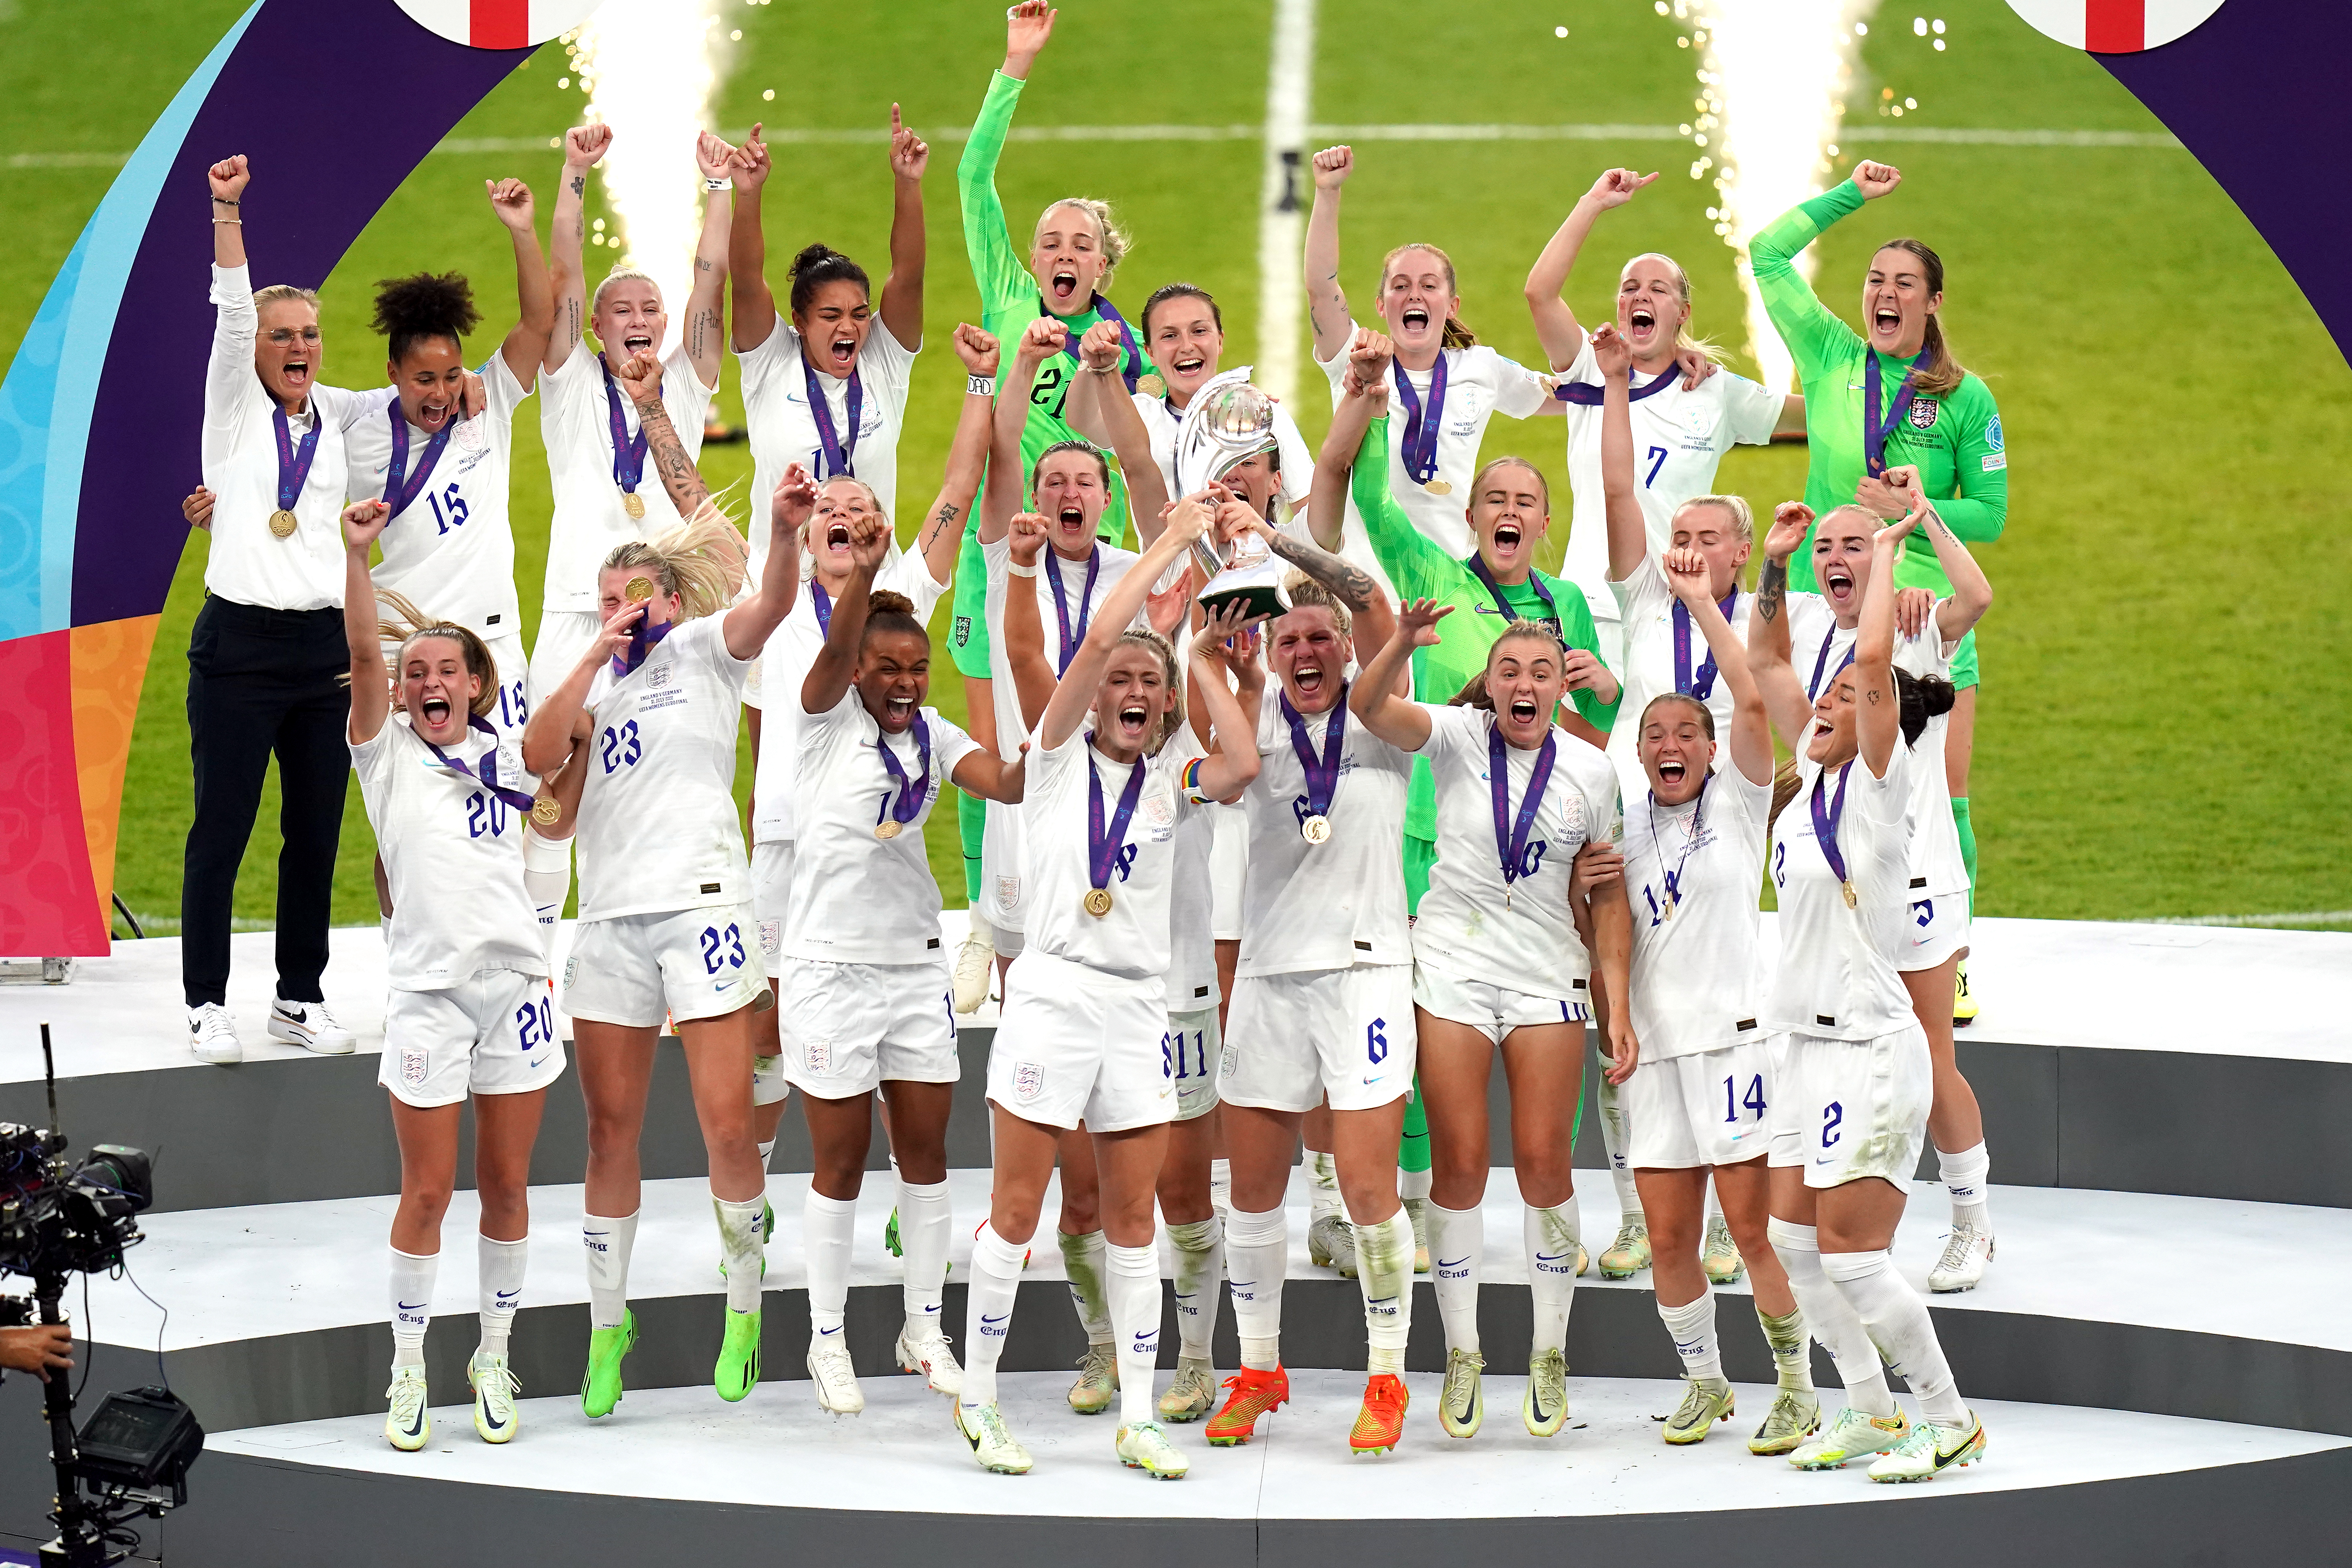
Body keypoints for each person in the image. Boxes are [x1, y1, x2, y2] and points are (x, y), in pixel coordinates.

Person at [519, 350, 803, 1419]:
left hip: (702, 908)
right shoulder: (586, 678)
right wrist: (586, 660)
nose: (616, 611)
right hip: (610, 923)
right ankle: (609, 1326)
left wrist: (778, 529)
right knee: (608, 1130)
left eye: (630, 597)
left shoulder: (703, 652)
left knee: (728, 1123)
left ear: (669, 598)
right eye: (604, 598)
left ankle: (742, 1305)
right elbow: (541, 758)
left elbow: (773, 602)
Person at [952, 503, 1261, 1480]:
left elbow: (1246, 763)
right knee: (1017, 1208)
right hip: (1049, 994)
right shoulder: (1049, 760)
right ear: (1093, 702)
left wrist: (1204, 662)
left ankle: (1137, 1416)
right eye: (1119, 682)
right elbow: (1090, 640)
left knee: (1136, 1222)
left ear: (1164, 707)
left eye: (1149, 684)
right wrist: (1171, 546)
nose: (1131, 690)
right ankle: (980, 1398)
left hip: (1138, 1006)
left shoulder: (1173, 776)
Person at [1315, 332, 1620, 1265]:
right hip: (1425, 836)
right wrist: (1366, 399)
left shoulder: (1567, 602)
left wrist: (1603, 683)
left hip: (1532, 858)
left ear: (1539, 522)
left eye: (1525, 501)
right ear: (1474, 515)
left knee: (1543, 1014)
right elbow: (1364, 497)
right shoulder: (1432, 575)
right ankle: (1399, 1208)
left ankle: (1593, 1220)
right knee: (1418, 1026)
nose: (1509, 510)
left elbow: (1597, 730)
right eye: (1494, 498)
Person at [1579, 460, 1821, 1453]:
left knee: (1750, 1231)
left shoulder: (1737, 796)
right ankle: (1705, 1383)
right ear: (1637, 755)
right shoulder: (1623, 819)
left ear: (1712, 750)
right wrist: (1614, 1015)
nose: (1671, 743)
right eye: (1655, 735)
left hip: (1731, 1043)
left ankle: (1798, 1386)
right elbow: (1611, 930)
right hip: (1654, 1056)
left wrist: (1699, 606)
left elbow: (1756, 702)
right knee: (1669, 1239)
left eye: (1687, 732)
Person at [1349, 601, 1634, 1445]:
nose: (1523, 684)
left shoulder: (1592, 769)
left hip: (1546, 964)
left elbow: (1609, 890)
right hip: (1452, 964)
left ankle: (1550, 1352)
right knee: (1461, 1160)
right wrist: (1400, 639)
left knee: (1546, 1160)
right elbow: (1368, 708)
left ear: (1560, 687)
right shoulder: (1455, 735)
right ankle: (1463, 1352)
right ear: (1491, 683)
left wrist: (1614, 1001)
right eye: (1509, 670)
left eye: (1540, 673)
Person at [1750, 492, 1987, 1482]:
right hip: (1802, 1045)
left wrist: (1885, 553)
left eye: (1844, 698)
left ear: (1878, 718)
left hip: (1868, 1046)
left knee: (1850, 1255)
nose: (1822, 703)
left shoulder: (1883, 791)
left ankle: (1949, 1417)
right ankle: (1870, 1412)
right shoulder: (1802, 792)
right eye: (1826, 694)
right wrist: (1762, 574)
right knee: (1788, 1245)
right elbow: (1762, 665)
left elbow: (1882, 668)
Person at [740, 326, 998, 1187]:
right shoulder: (768, 599)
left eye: (857, 508)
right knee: (771, 1025)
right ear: (804, 535)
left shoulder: (899, 594)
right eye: (827, 512)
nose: (842, 516)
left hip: (873, 845)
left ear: (876, 527)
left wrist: (978, 385)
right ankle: (757, 1185)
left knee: (892, 1021)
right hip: (784, 839)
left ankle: (907, 1182)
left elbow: (958, 491)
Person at [1750, 158, 2006, 1022]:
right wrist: (1850, 195)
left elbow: (1992, 513)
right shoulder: (1827, 354)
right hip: (1838, 610)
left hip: (1922, 611)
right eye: (1873, 279)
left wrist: (1919, 510)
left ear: (1933, 302)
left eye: (1903, 283)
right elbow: (1767, 256)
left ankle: (1953, 957)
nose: (1882, 293)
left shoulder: (1964, 398)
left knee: (1947, 789)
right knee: (1835, 777)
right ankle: (1847, 932)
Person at [783, 511, 1027, 1417]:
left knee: (925, 1156)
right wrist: (865, 575)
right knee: (840, 1162)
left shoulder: (933, 731)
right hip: (828, 968)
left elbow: (1005, 781)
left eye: (915, 668)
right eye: (887, 668)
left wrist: (1061, 731)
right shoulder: (820, 722)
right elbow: (834, 650)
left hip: (911, 965)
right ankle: (827, 1338)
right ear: (855, 670)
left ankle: (923, 1328)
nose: (903, 681)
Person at [339, 496, 566, 1452]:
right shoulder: (383, 755)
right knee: (426, 1192)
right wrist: (357, 555)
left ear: (475, 685)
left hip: (516, 994)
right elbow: (360, 656)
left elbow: (565, 759)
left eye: (446, 671)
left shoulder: (508, 759)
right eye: (413, 674)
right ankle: (408, 1364)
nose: (428, 683)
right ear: (397, 693)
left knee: (508, 1185)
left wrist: (595, 656)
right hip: (429, 999)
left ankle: (492, 1353)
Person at [947, 0, 1158, 1001]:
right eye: (1048, 239)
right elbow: (970, 178)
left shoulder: (1121, 345)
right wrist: (1013, 66)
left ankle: (1076, 900)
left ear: (1105, 264)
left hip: (1086, 551)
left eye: (1080, 243)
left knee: (1065, 728)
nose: (1060, 251)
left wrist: (1103, 371)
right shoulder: (1006, 291)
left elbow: (1109, 435)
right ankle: (987, 919)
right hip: (996, 538)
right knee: (989, 734)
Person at [1200, 530, 1424, 1457]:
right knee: (1251, 1195)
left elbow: (1367, 594)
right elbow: (1200, 699)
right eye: (1286, 638)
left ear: (1344, 649)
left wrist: (1280, 546)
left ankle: (1386, 1375)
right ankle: (1256, 1370)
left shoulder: (1383, 718)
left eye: (1319, 638)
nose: (1303, 652)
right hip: (1266, 976)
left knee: (1368, 1187)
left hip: (1366, 975)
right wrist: (1213, 617)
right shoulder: (1249, 721)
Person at [1580, 319, 1769, 1286]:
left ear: (1738, 553)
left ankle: (1733, 1222)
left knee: (1717, 1003)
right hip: (1632, 824)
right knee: (1624, 1016)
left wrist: (1705, 604)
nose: (1685, 549)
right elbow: (1617, 489)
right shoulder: (1642, 601)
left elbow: (1765, 708)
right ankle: (1629, 1207)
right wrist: (1614, 383)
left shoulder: (1757, 621)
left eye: (1705, 539)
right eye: (1678, 537)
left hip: (1724, 830)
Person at [185, 153, 368, 1065]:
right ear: (255, 352)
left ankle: (299, 994)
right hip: (240, 647)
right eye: (281, 336)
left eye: (308, 335)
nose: (297, 348)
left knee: (315, 833)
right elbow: (229, 312)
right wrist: (228, 211)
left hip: (320, 654)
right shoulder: (232, 410)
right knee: (222, 826)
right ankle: (205, 1001)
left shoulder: (329, 421)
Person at [1523, 165, 1799, 666]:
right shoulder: (1591, 366)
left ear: (1682, 312)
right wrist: (1593, 202)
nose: (1641, 296)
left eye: (1658, 289)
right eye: (1630, 287)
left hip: (1679, 612)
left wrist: (1887, 388)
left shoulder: (1714, 389)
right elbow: (1540, 294)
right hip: (1590, 608)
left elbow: (1817, 417)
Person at [344, 177, 553, 753]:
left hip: (495, 643)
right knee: (411, 817)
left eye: (450, 375)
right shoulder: (361, 435)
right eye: (423, 379)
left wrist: (522, 232)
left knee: (508, 798)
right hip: (412, 652)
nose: (440, 394)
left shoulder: (488, 405)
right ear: (392, 373)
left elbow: (539, 323)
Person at [527, 124, 732, 703]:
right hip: (577, 606)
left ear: (666, 323)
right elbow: (564, 276)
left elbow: (711, 284)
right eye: (621, 310)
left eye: (650, 308)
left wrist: (719, 185)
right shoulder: (569, 381)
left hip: (671, 604)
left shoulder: (688, 384)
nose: (638, 320)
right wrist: (575, 172)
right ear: (597, 327)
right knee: (558, 772)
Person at [1303, 144, 1562, 573]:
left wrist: (1661, 363)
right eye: (1400, 286)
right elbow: (1320, 286)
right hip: (1366, 580)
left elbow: (1577, 394)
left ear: (1452, 304)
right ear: (1382, 306)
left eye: (1429, 285)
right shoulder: (1358, 359)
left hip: (1452, 580)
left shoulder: (1483, 368)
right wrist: (1328, 193)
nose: (1414, 295)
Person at [730, 106, 927, 533]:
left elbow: (908, 275)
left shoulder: (883, 362)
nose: (850, 328)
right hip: (785, 591)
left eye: (859, 314)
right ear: (799, 321)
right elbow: (746, 281)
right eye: (831, 316)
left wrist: (907, 183)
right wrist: (747, 194)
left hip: (870, 588)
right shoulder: (770, 362)